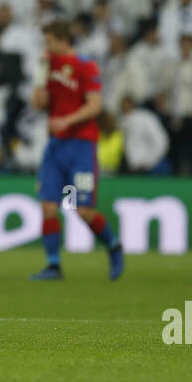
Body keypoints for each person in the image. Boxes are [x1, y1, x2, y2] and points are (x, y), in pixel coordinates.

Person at [28, 20, 124, 281]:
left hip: (81, 145)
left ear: (62, 40)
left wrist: (66, 121)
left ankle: (114, 245)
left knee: (83, 211)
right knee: (48, 206)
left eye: (49, 41)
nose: (46, 47)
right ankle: (53, 265)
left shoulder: (85, 65)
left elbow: (95, 106)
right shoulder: (50, 66)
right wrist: (40, 72)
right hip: (55, 146)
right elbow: (38, 103)